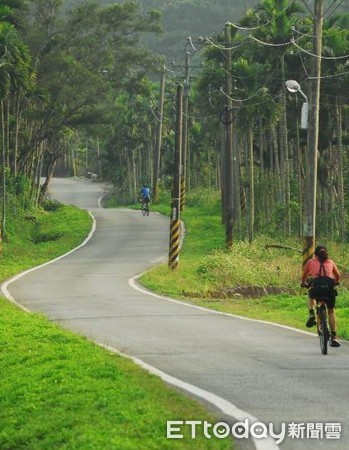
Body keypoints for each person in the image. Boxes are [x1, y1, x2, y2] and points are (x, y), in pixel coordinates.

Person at [301, 245, 341, 347]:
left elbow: (304, 276)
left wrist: (303, 283)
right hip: (329, 288)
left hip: (317, 287)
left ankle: (311, 313)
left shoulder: (311, 262)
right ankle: (334, 337)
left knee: (310, 295)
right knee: (331, 311)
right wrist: (335, 282)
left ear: (315, 254)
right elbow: (338, 276)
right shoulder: (331, 262)